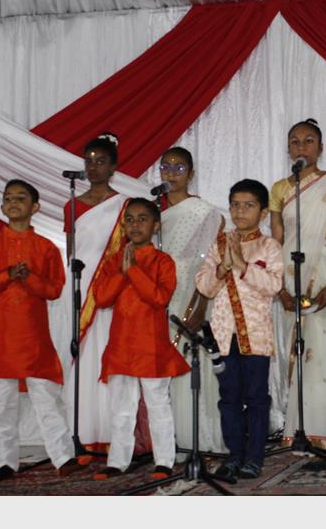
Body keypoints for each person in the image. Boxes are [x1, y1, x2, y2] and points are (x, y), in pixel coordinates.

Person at [0, 180, 83, 484]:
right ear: (2, 207)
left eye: (21, 198)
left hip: (33, 337)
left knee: (47, 398)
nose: (13, 202)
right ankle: (5, 461)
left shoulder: (45, 248)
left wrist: (28, 278)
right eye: (8, 198)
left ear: (35, 207)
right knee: (0, 402)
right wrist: (6, 275)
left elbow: (54, 290)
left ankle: (63, 457)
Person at [269, 118, 326, 453]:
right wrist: (280, 288)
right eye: (295, 141)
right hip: (290, 277)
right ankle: (298, 429)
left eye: (308, 140)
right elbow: (276, 242)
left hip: (324, 272)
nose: (301, 146)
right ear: (288, 149)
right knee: (297, 350)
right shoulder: (279, 189)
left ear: (321, 147)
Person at [91, 198, 190, 480]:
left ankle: (164, 461)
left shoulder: (163, 261)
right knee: (121, 408)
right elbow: (102, 298)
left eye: (142, 219)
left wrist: (133, 270)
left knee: (158, 405)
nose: (135, 225)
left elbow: (159, 298)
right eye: (130, 219)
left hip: (151, 345)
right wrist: (123, 272)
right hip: (122, 344)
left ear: (156, 226)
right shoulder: (114, 261)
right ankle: (117, 461)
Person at [196, 179, 283, 482]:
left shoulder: (269, 246)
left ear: (263, 212)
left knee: (257, 397)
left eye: (248, 205)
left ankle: (254, 458)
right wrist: (223, 267)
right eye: (235, 205)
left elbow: (274, 285)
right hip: (223, 336)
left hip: (256, 336)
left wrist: (244, 265)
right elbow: (204, 287)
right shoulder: (219, 244)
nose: (240, 211)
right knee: (229, 397)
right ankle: (234, 455)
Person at [62, 133, 132, 452]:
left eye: (100, 161)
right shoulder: (72, 204)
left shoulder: (124, 206)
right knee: (84, 355)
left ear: (113, 167)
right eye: (88, 161)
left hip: (112, 286)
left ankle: (112, 432)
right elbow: (71, 250)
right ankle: (84, 432)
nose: (93, 167)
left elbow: (129, 249)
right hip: (81, 283)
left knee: (108, 352)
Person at [157, 147, 226, 454]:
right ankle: (165, 440)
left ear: (192, 174)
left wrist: (199, 302)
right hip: (159, 292)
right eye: (166, 167)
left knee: (191, 360)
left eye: (179, 168)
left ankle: (196, 436)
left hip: (192, 291)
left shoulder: (204, 212)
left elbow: (210, 261)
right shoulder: (152, 212)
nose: (171, 173)